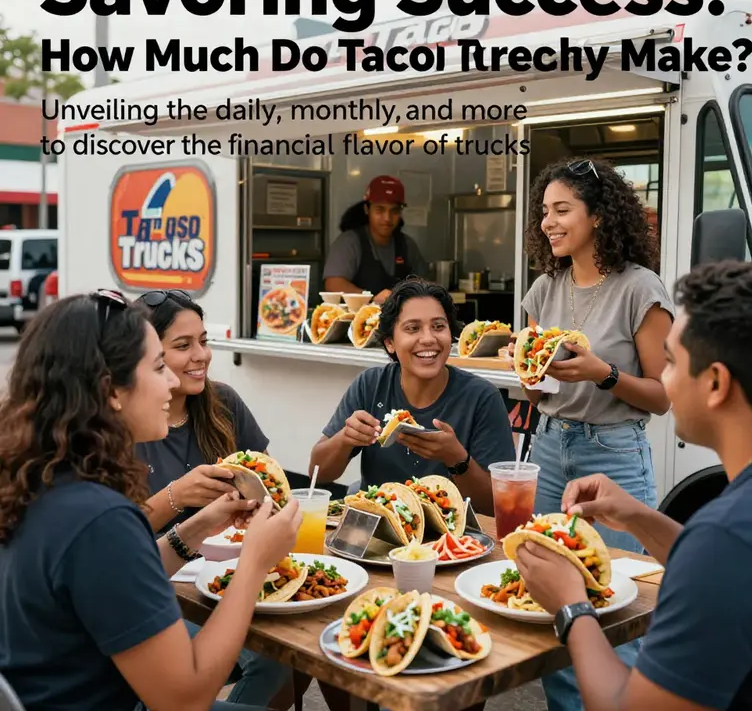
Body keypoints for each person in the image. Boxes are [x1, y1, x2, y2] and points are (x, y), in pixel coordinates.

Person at [515, 260, 752, 711]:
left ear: (716, 382)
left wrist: (571, 607)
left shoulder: (728, 538)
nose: (663, 378)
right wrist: (641, 518)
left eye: (670, 362)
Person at [0, 290, 302, 711]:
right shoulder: (99, 518)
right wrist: (254, 562)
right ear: (111, 391)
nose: (174, 382)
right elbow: (185, 698)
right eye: (160, 366)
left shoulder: (40, 477)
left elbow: (107, 577)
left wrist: (196, 528)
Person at [515, 157, 675, 711]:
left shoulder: (639, 288)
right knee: (558, 601)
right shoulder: (544, 288)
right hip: (550, 445)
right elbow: (534, 390)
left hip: (616, 452)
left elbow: (662, 393)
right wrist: (527, 372)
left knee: (622, 604)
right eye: (545, 213)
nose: (548, 224)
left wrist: (600, 371)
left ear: (599, 217)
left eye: (562, 211)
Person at [133, 288, 291, 708]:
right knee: (266, 657)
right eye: (182, 346)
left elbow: (268, 481)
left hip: (228, 575)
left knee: (282, 659)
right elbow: (119, 540)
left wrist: (257, 507)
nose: (201, 355)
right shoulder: (127, 426)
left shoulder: (222, 403)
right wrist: (174, 496)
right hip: (162, 592)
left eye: (204, 341)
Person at [310, 278, 515, 514]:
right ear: (389, 343)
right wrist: (346, 438)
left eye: (438, 326)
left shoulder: (482, 397)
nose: (428, 338)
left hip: (453, 539)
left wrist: (457, 459)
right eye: (412, 328)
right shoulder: (371, 385)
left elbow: (496, 507)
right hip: (377, 527)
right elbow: (319, 473)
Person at [323, 175, 429, 304]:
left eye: (394, 211)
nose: (387, 218)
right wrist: (371, 299)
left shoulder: (407, 244)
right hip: (357, 320)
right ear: (367, 209)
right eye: (380, 210)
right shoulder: (350, 242)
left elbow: (423, 282)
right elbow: (334, 284)